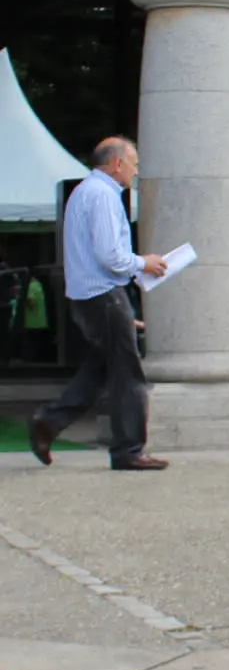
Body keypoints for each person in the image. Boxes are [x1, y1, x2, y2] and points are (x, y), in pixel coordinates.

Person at [28, 137, 168, 471]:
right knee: (127, 374)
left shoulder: (84, 192)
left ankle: (49, 422)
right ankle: (128, 450)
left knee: (101, 368)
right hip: (104, 295)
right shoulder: (104, 195)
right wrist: (143, 263)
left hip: (90, 297)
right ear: (117, 163)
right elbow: (111, 257)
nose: (135, 172)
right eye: (133, 164)